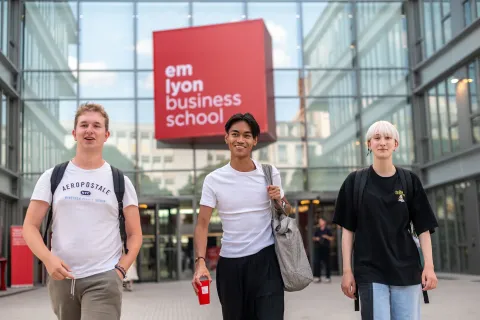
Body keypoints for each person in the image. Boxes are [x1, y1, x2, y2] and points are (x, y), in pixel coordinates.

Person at [22, 102, 142, 320]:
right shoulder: (52, 176)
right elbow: (29, 227)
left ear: (106, 135)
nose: (89, 130)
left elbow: (135, 234)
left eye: (96, 126)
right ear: (74, 133)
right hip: (61, 279)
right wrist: (48, 259)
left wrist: (121, 270)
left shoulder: (120, 181)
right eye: (84, 125)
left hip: (104, 277)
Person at [333, 120, 439, 320]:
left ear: (396, 144)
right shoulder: (355, 182)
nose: (382, 142)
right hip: (370, 271)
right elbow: (347, 231)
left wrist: (429, 267)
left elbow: (423, 229)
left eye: (388, 138)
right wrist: (347, 271)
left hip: (407, 271)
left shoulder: (409, 181)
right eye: (377, 138)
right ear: (369, 144)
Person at [192, 113, 291, 320]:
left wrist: (278, 199)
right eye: (235, 134)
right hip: (231, 265)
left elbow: (286, 210)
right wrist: (200, 263)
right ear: (226, 138)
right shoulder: (214, 180)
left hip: (266, 261)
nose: (240, 140)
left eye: (247, 135)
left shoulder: (269, 172)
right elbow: (202, 225)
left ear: (255, 140)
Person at [312, 217, 333, 283]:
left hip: (326, 248)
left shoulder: (328, 230)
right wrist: (316, 238)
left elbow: (332, 238)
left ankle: (328, 277)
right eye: (319, 221)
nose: (319, 222)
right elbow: (313, 238)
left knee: (327, 262)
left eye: (321, 221)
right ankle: (318, 277)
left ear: (324, 222)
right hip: (318, 248)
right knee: (317, 262)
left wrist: (326, 237)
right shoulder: (317, 230)